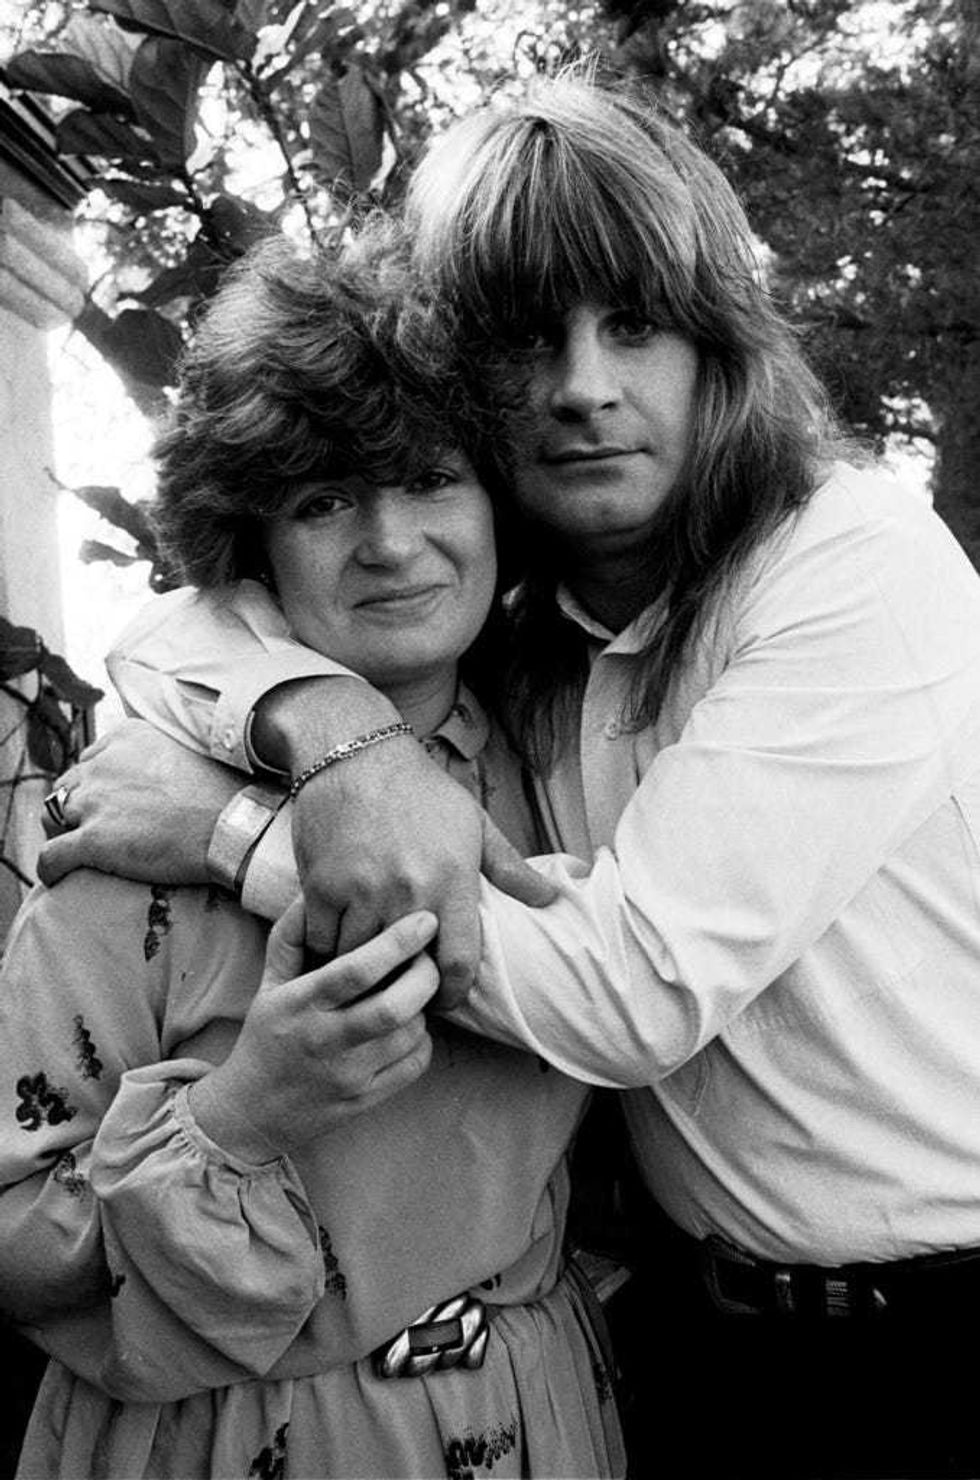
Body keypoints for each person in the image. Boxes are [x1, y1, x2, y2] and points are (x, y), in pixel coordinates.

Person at [38, 66, 980, 1479]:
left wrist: (236, 832)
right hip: (683, 1347)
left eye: (638, 326)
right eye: (529, 340)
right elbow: (194, 616)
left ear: (719, 350)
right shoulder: (526, 621)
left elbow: (622, 993)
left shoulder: (852, 563)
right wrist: (329, 732)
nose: (585, 389)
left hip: (929, 1344)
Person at [0, 233, 626, 1480]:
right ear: (250, 542)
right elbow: (14, 1225)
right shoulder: (133, 820)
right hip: (235, 1438)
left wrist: (239, 840)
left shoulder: (568, 745)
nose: (391, 543)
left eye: (434, 478)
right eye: (324, 499)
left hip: (539, 1413)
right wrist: (242, 1113)